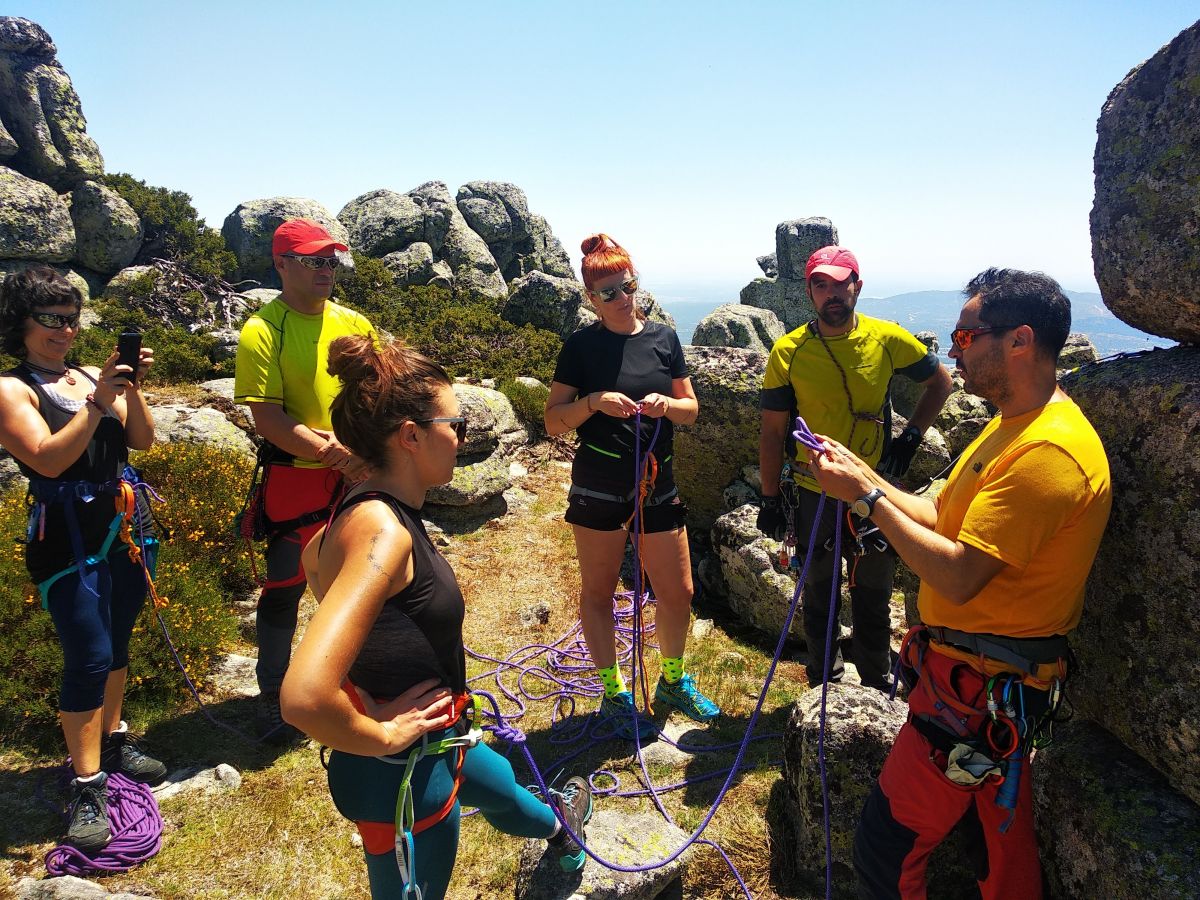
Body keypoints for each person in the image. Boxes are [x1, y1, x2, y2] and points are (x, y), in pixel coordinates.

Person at [806, 268, 1111, 898]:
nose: (953, 349)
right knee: (993, 856)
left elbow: (959, 573)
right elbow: (936, 512)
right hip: (979, 687)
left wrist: (866, 498)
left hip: (976, 695)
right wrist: (863, 474)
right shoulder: (1012, 424)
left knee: (886, 850)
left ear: (1020, 340)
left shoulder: (1048, 453)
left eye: (966, 336)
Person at [280, 335, 593, 899]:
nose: (462, 438)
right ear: (411, 435)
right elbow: (304, 696)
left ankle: (559, 827)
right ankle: (557, 826)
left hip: (444, 738)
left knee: (504, 789)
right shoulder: (383, 533)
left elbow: (315, 567)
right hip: (405, 776)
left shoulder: (355, 514)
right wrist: (379, 733)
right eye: (457, 424)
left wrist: (367, 691)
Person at [0, 266, 166, 854]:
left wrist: (130, 389)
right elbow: (46, 459)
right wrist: (96, 405)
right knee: (88, 655)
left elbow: (141, 440)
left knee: (116, 643)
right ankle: (88, 783)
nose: (65, 330)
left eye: (71, 319)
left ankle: (113, 742)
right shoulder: (13, 389)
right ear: (20, 322)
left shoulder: (91, 375)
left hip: (125, 526)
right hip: (65, 536)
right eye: (50, 319)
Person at [544, 233, 716, 741]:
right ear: (591, 299)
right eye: (609, 292)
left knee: (678, 592)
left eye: (628, 285)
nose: (623, 297)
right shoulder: (580, 347)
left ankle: (673, 680)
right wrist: (594, 401)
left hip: (657, 482)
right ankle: (614, 691)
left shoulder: (663, 338)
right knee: (599, 592)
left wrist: (668, 405)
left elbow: (690, 409)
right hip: (599, 484)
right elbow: (553, 421)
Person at [758, 246, 953, 691]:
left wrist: (911, 436)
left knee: (873, 591)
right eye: (820, 285)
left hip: (871, 487)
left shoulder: (887, 339)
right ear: (809, 292)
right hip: (815, 488)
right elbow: (772, 431)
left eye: (840, 284)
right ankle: (822, 683)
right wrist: (769, 498)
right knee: (820, 590)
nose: (831, 294)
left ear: (857, 287)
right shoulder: (789, 352)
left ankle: (876, 683)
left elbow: (940, 382)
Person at [234, 218, 377, 742]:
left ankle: (359, 683)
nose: (326, 270)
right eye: (313, 260)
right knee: (285, 589)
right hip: (298, 481)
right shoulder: (263, 330)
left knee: (363, 584)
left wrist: (367, 453)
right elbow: (268, 418)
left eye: (330, 260)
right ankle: (274, 695)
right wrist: (334, 453)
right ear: (281, 264)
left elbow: (376, 397)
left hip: (355, 477)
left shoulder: (355, 323)